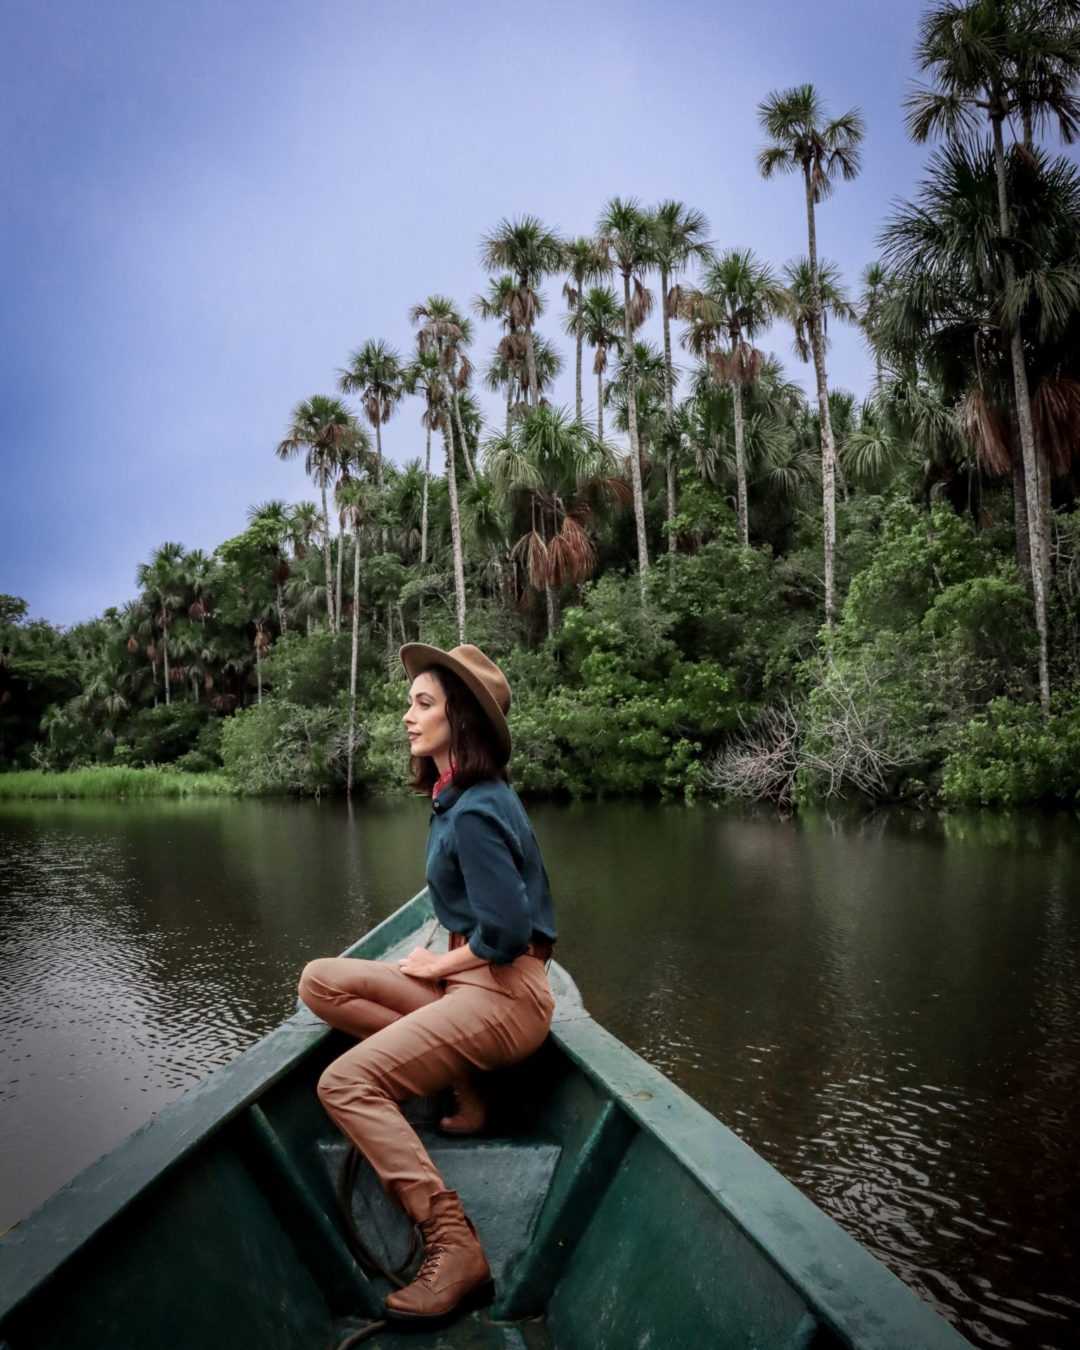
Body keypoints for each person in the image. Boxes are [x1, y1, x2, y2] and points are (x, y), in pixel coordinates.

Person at [297, 643, 557, 1327]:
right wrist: (446, 960)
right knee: (320, 982)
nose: (407, 717)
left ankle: (455, 1243)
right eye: (409, 704)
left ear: (459, 717)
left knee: (344, 1084)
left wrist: (440, 966)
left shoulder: (473, 810)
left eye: (422, 704)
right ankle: (460, 1078)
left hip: (506, 997)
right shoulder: (455, 798)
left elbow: (510, 932)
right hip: (475, 987)